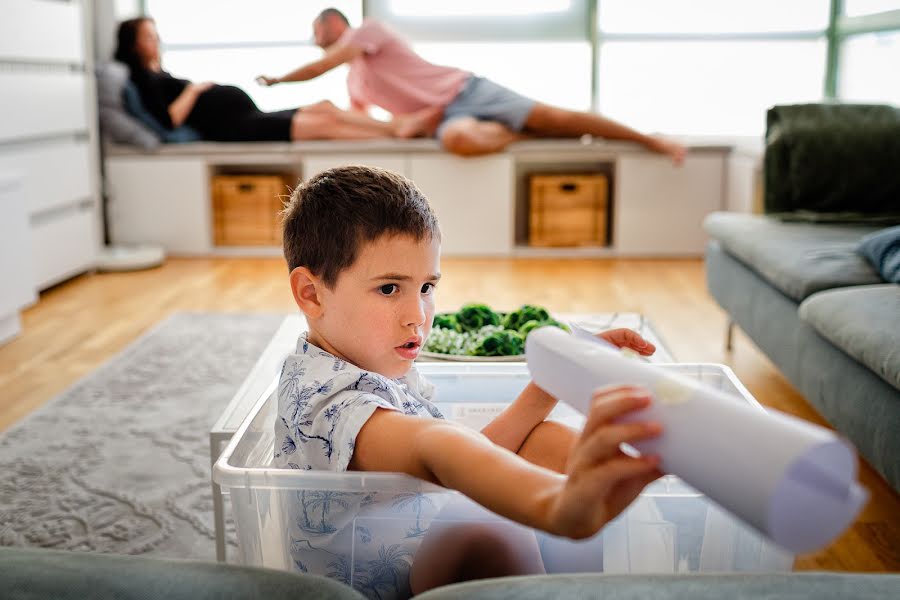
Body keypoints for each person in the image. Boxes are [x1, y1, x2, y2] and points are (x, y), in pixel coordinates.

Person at [276, 165, 663, 597]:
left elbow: (462, 460)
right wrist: (553, 506)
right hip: (383, 587)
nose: (417, 315)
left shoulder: (366, 359)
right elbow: (438, 448)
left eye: (426, 287)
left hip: (422, 541)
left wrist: (552, 380)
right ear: (311, 293)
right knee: (484, 524)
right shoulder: (327, 401)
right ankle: (560, 543)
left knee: (546, 443)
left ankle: (579, 588)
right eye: (389, 289)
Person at [257, 9, 687, 162]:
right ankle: (522, 134)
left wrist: (278, 80)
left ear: (332, 25)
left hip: (466, 91)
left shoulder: (365, 32)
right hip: (447, 118)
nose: (316, 40)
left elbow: (320, 66)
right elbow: (371, 121)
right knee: (461, 142)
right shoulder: (356, 78)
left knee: (557, 117)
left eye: (316, 32)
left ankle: (650, 140)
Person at [114, 17, 438, 142]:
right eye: (148, 37)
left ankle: (397, 126)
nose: (155, 41)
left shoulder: (161, 75)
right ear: (132, 44)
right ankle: (396, 131)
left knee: (324, 106)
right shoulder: (143, 80)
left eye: (156, 35)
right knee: (324, 125)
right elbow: (169, 121)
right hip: (235, 128)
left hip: (247, 115)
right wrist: (196, 90)